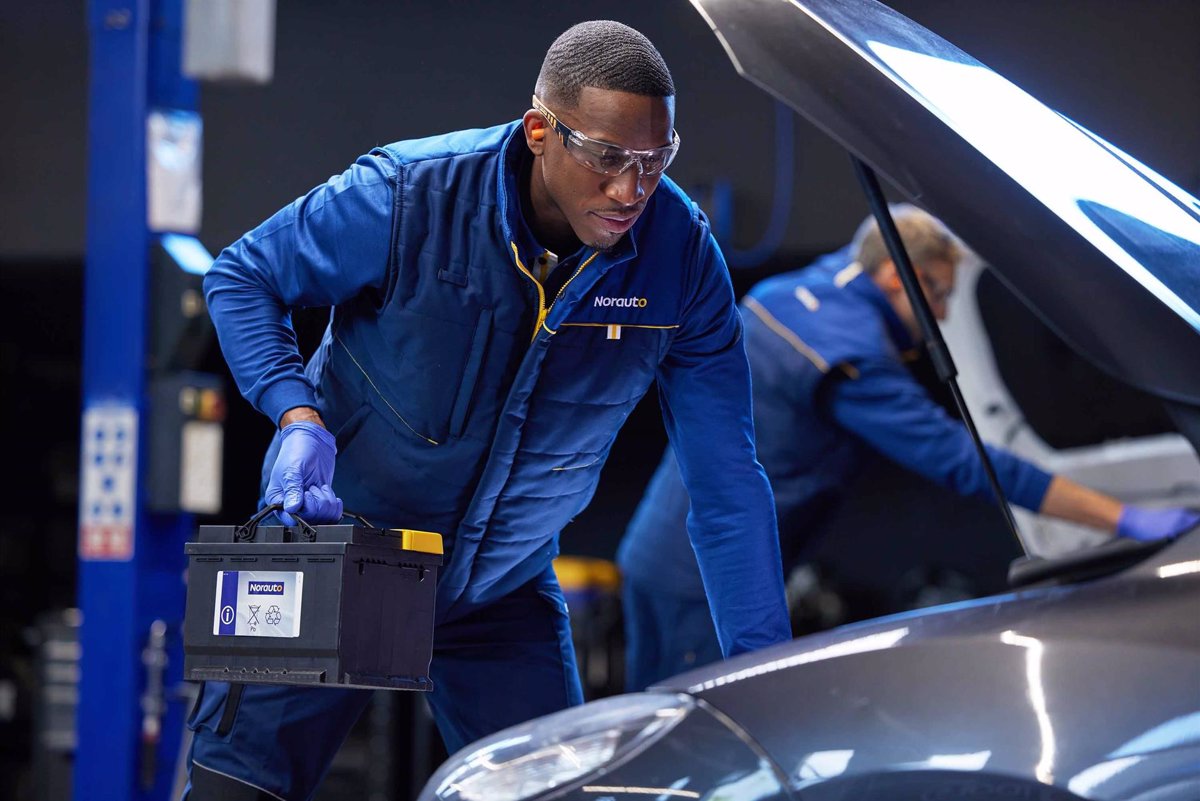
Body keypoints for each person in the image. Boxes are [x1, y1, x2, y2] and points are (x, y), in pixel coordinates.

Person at [186, 20, 791, 800]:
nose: (632, 190)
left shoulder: (681, 259)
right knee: (235, 791)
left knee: (551, 792)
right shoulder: (408, 195)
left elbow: (727, 487)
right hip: (333, 547)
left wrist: (768, 676)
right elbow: (242, 277)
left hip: (497, 588)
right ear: (541, 130)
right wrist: (295, 414)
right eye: (609, 158)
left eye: (655, 159)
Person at [618, 204, 1200, 692]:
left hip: (668, 550)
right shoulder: (845, 353)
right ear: (900, 277)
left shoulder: (800, 290)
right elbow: (962, 462)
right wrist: (1122, 516)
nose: (942, 315)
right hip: (704, 581)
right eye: (939, 294)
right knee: (701, 748)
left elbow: (871, 242)